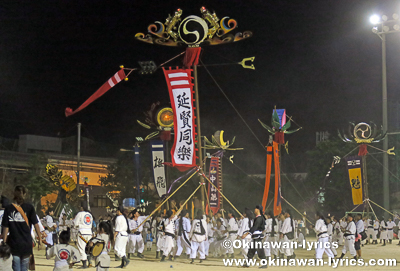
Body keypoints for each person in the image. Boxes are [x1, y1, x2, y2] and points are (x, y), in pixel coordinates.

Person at [2, 185, 43, 271]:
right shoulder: (30, 208)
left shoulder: (8, 209)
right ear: (24, 194)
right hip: (26, 244)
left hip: (14, 244)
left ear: (14, 194)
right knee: (24, 268)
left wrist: (4, 242)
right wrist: (39, 238)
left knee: (16, 267)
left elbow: (5, 227)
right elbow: (36, 224)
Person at [74, 201, 93, 268]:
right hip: (89, 233)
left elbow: (75, 223)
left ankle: (84, 264)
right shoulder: (89, 214)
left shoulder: (80, 214)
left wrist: (78, 225)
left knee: (81, 248)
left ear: (81, 207)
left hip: (82, 233)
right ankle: (90, 262)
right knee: (88, 249)